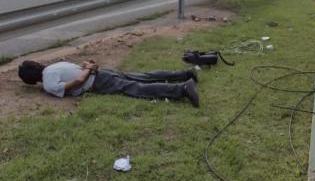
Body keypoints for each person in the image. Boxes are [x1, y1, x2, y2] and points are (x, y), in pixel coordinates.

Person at [18, 59, 200, 107]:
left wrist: (89, 69)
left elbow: (79, 80)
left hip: (97, 81)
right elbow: (80, 67)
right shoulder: (54, 66)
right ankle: (184, 74)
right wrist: (90, 66)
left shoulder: (48, 83)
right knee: (143, 76)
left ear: (31, 81)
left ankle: (182, 88)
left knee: (138, 88)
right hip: (103, 72)